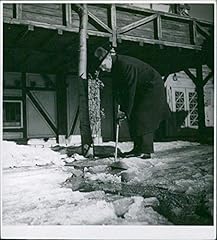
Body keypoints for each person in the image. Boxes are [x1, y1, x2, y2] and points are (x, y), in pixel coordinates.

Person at [94, 47, 170, 159]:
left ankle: (146, 150)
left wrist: (124, 111)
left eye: (103, 66)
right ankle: (137, 148)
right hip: (140, 89)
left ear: (109, 58)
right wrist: (120, 103)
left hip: (151, 87)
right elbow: (119, 88)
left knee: (143, 116)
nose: (103, 70)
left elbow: (130, 89)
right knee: (134, 115)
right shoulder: (116, 67)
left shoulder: (125, 64)